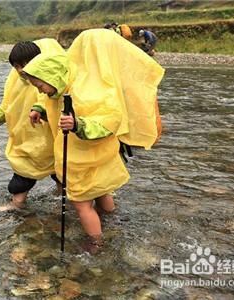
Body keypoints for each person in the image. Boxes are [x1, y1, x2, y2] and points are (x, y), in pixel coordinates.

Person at [23, 29, 164, 254]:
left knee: (81, 204)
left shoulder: (89, 91)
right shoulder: (67, 82)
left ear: (51, 77)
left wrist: (78, 126)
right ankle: (112, 222)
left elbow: (109, 121)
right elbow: (50, 95)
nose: (40, 90)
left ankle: (96, 242)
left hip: (84, 160)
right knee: (101, 191)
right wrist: (39, 106)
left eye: (40, 86)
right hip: (93, 158)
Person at [0, 39, 65, 211]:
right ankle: (19, 204)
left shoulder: (48, 80)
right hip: (26, 140)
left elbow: (53, 103)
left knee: (59, 174)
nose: (20, 70)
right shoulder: (15, 81)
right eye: (16, 66)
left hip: (48, 140)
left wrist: (40, 110)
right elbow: (7, 107)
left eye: (24, 65)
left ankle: (58, 202)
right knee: (24, 176)